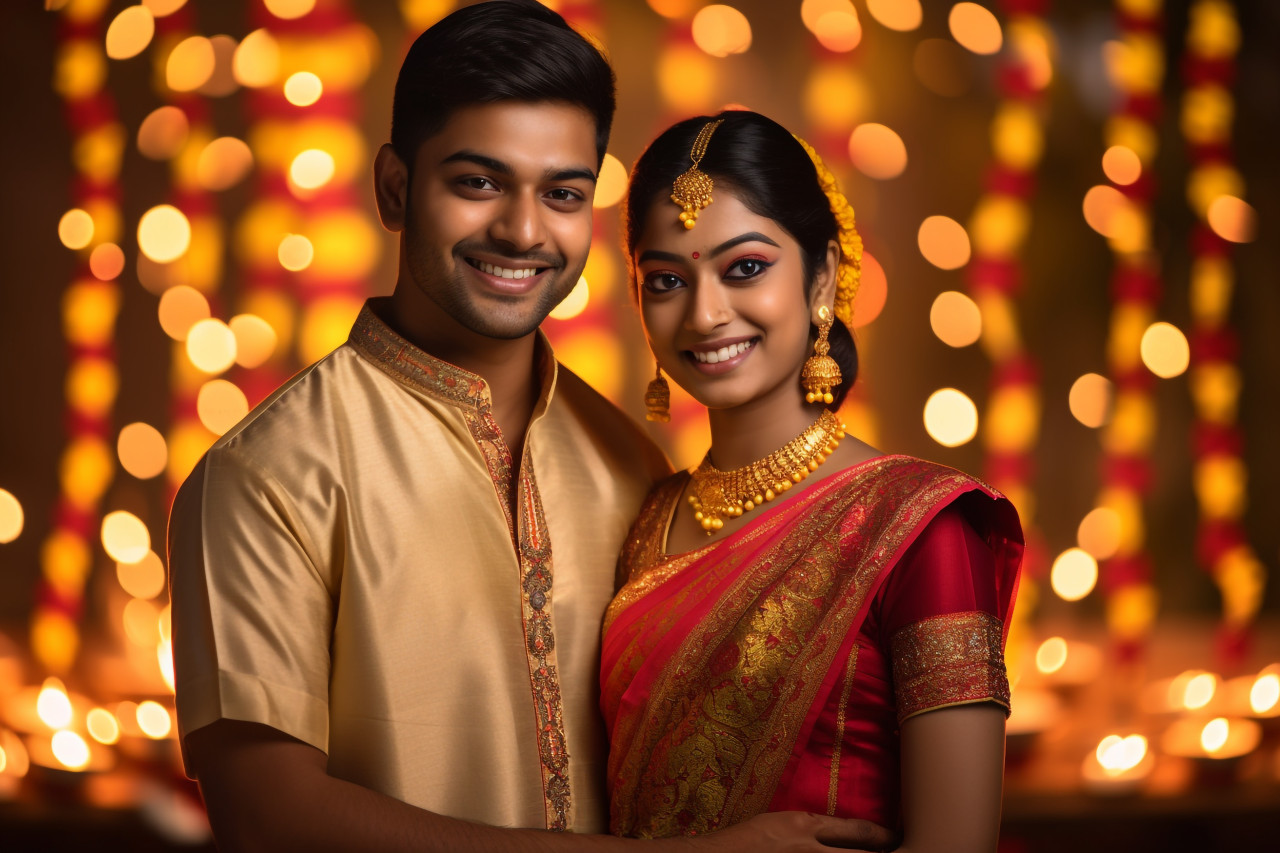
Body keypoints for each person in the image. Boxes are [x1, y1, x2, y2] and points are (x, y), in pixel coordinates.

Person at [168, 3, 895, 851]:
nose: (522, 230)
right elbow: (269, 817)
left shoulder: (632, 466)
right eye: (478, 182)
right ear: (395, 188)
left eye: (562, 194)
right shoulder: (267, 476)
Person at [601, 110, 1024, 852]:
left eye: (745, 268)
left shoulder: (923, 527)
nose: (704, 313)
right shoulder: (642, 521)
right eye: (667, 279)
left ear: (823, 275)